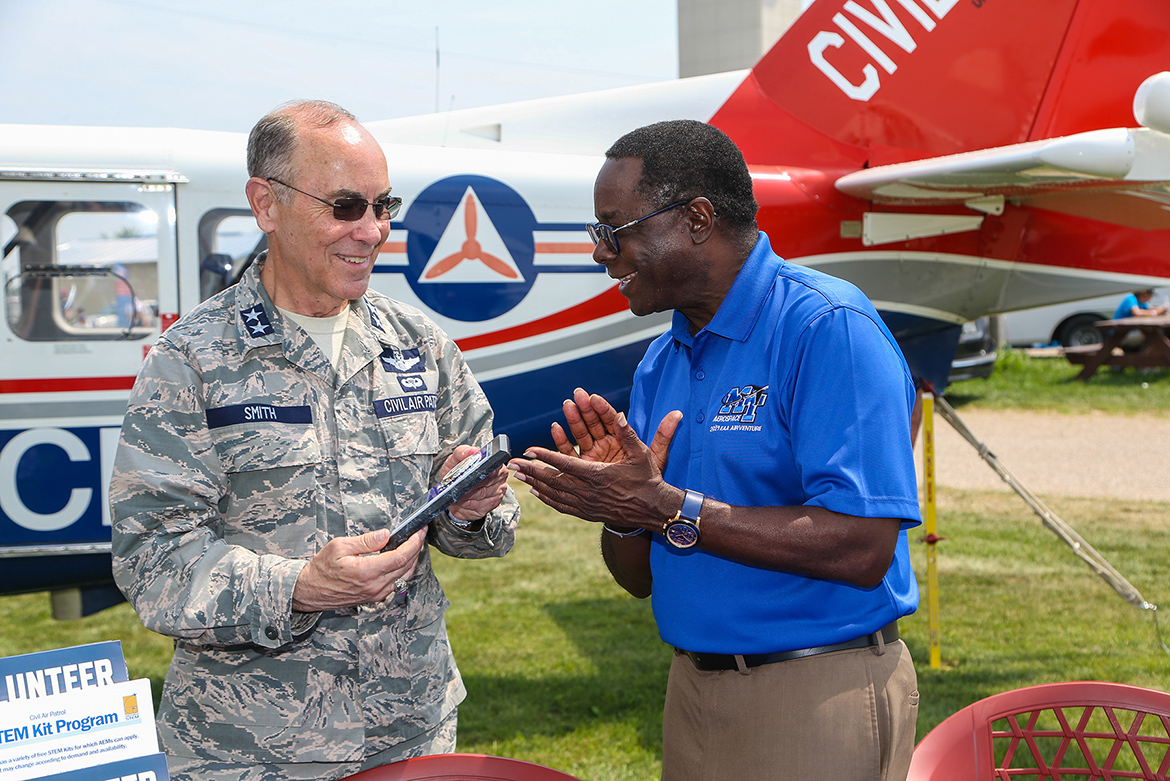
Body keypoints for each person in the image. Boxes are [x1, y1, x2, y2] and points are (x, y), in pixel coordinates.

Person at [110, 100, 519, 781]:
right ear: (265, 204)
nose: (373, 230)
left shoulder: (417, 346)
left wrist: (469, 509)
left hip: (408, 731)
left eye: (383, 205)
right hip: (251, 747)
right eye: (345, 205)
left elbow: (491, 521)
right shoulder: (193, 360)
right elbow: (152, 559)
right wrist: (300, 585)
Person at [508, 120, 921, 781]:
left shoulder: (826, 327)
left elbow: (863, 548)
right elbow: (639, 576)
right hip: (692, 688)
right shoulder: (659, 360)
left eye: (614, 231)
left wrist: (672, 506)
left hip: (815, 690)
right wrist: (623, 508)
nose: (600, 254)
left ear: (697, 218)